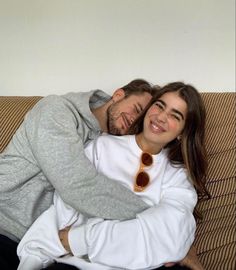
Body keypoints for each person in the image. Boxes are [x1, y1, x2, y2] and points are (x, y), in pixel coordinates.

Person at [17, 82, 208, 270]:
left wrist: (82, 239)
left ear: (183, 133)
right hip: (79, 264)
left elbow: (171, 233)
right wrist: (148, 226)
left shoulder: (178, 175)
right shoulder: (102, 146)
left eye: (175, 115)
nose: (161, 117)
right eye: (159, 106)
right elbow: (66, 208)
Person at [0, 79, 157, 270]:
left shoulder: (114, 146)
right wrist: (158, 225)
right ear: (118, 95)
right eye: (137, 109)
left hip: (42, 247)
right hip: (4, 225)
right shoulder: (56, 110)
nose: (134, 121)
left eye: (140, 123)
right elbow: (78, 186)